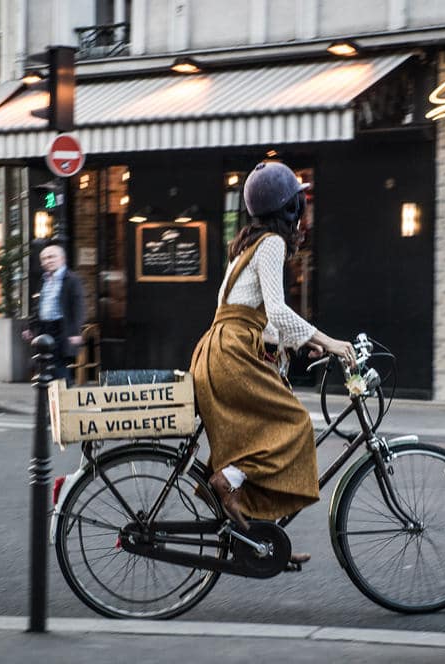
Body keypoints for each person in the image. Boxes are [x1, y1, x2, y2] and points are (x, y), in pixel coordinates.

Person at [190, 161, 355, 562]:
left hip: (218, 350)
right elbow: (277, 311)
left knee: (259, 437)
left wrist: (298, 344)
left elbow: (250, 314)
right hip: (232, 355)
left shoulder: (248, 245)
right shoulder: (271, 245)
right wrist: (327, 340)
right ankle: (227, 482)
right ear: (290, 209)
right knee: (294, 426)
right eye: (300, 204)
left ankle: (258, 539)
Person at [23, 243, 85, 384]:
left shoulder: (72, 279)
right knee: (45, 367)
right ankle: (50, 402)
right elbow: (37, 306)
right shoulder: (44, 279)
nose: (47, 261)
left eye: (51, 257)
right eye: (44, 258)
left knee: (59, 368)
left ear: (62, 259)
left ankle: (63, 401)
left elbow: (78, 307)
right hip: (44, 328)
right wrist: (30, 328)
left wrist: (76, 332)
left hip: (61, 328)